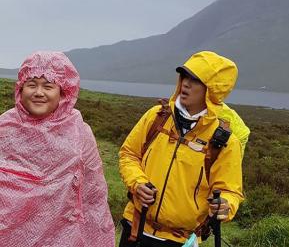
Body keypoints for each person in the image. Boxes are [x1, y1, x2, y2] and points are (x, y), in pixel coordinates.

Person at [119, 51, 247, 246]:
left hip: (180, 240)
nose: (185, 83)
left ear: (212, 90)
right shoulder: (157, 116)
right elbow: (129, 154)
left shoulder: (225, 142)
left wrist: (225, 205)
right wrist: (138, 183)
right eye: (184, 76)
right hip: (136, 227)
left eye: (195, 80)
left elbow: (229, 190)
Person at [0, 51, 115, 247]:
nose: (38, 92)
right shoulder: (5, 127)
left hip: (62, 237)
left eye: (48, 86)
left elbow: (93, 194)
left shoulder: (79, 132)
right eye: (31, 84)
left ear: (63, 91)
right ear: (20, 88)